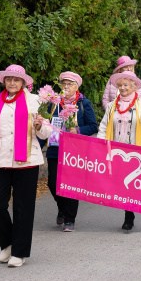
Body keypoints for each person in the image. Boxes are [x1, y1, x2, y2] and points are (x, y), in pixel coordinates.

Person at [0, 64, 53, 268]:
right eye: (9, 79)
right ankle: (7, 244)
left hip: (27, 161)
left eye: (16, 79)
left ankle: (20, 252)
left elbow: (48, 132)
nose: (12, 82)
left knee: (23, 208)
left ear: (24, 82)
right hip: (0, 161)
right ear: (4, 81)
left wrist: (40, 126)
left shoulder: (35, 101)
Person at [98, 71, 141, 230]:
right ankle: (129, 211)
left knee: (130, 185)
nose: (122, 88)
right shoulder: (112, 106)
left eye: (126, 85)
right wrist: (99, 145)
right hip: (116, 152)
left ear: (133, 87)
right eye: (120, 85)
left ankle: (129, 216)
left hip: (136, 152)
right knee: (121, 184)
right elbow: (103, 128)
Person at [43, 71, 98, 232]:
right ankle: (62, 208)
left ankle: (70, 219)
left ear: (76, 87)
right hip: (55, 148)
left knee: (72, 185)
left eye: (70, 84)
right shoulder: (53, 103)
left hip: (76, 151)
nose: (66, 87)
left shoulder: (83, 103)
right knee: (53, 184)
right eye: (63, 84)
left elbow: (93, 125)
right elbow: (45, 124)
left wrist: (78, 130)